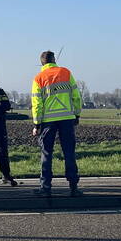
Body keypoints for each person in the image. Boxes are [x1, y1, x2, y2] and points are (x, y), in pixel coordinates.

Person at [31, 50, 83, 197]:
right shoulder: (66, 73)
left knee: (46, 153)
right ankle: (73, 187)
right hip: (67, 119)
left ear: (42, 62)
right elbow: (76, 96)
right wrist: (77, 114)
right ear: (54, 60)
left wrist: (36, 124)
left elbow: (37, 104)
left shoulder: (38, 78)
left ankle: (45, 187)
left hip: (47, 122)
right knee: (69, 152)